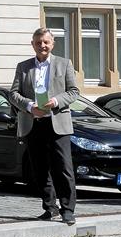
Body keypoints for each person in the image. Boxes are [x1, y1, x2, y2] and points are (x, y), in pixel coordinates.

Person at [10, 28, 81, 225]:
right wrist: (30, 106)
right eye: (38, 42)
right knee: (39, 169)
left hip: (57, 122)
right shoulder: (23, 67)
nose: (42, 46)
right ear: (33, 44)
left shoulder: (64, 64)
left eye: (46, 42)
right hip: (33, 123)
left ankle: (68, 209)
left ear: (52, 44)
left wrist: (56, 101)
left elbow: (74, 92)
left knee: (63, 168)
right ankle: (50, 208)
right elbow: (13, 94)